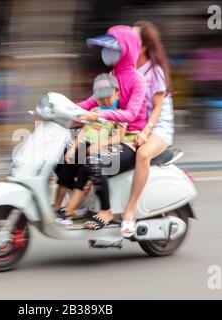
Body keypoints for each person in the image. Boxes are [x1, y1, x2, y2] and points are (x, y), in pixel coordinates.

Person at [65, 25, 148, 230]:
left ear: (126, 50)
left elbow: (131, 114)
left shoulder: (138, 80)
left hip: (128, 137)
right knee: (68, 150)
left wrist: (100, 114)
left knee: (94, 161)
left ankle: (106, 211)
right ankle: (69, 209)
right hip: (106, 130)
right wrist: (62, 108)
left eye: (112, 48)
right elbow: (91, 102)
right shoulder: (110, 75)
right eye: (105, 48)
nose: (106, 52)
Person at [119, 21, 175, 237]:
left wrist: (145, 132)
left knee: (142, 154)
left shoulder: (155, 71)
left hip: (158, 127)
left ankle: (130, 212)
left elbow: (158, 108)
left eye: (132, 40)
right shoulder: (127, 69)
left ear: (142, 46)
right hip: (135, 125)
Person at [55, 73, 133, 227]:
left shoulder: (120, 113)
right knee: (62, 163)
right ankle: (60, 209)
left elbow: (118, 137)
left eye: (108, 97)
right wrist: (72, 147)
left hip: (99, 148)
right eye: (100, 98)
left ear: (117, 93)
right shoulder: (95, 110)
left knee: (86, 171)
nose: (104, 101)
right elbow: (84, 131)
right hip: (86, 146)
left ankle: (69, 211)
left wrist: (100, 145)